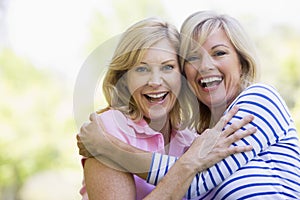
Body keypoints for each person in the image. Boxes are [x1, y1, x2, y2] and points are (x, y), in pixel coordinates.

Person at [79, 10, 300, 199]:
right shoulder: (113, 129)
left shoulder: (259, 100)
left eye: (219, 53)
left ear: (242, 62)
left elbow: (193, 182)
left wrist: (110, 149)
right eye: (193, 57)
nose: (205, 66)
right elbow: (188, 179)